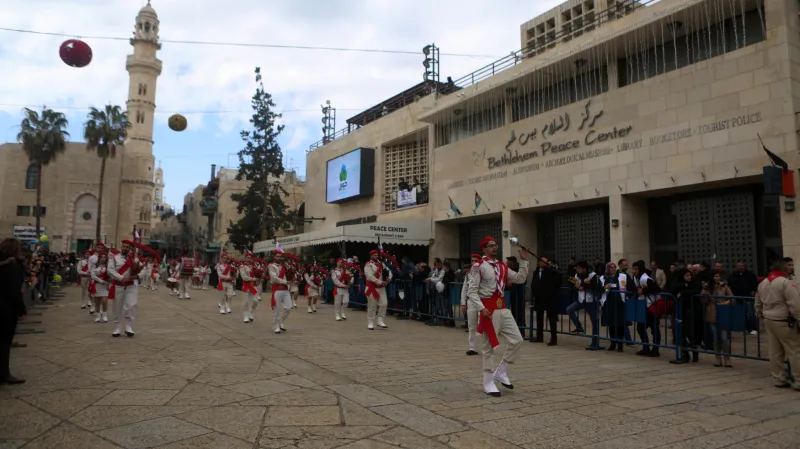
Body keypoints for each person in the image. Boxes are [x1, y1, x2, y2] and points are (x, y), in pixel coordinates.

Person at [467, 236, 529, 397]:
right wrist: (481, 308)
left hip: (502, 308)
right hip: (488, 309)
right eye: (491, 246)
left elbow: (520, 279)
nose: (495, 248)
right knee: (488, 348)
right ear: (484, 249)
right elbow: (471, 291)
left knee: (517, 339)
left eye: (496, 245)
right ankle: (488, 382)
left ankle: (501, 371)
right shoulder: (478, 266)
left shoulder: (502, 266)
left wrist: (523, 262)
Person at [756, 259, 800, 390]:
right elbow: (795, 304)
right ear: (783, 268)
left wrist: (760, 314)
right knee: (795, 350)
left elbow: (758, 302)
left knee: (775, 351)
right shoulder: (784, 282)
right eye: (789, 265)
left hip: (769, 319)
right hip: (784, 320)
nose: (791, 268)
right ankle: (798, 380)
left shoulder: (763, 282)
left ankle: (779, 378)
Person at [0, 238, 27, 384]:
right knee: (4, 342)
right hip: (6, 309)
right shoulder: (12, 267)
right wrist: (21, 310)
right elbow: (14, 291)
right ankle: (4, 374)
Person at [107, 240, 143, 338]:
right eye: (124, 246)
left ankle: (129, 327)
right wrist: (121, 278)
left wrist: (137, 276)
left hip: (131, 285)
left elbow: (144, 269)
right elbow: (110, 270)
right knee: (117, 307)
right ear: (121, 247)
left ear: (130, 248)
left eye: (127, 247)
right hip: (119, 285)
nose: (125, 248)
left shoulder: (135, 259)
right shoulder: (114, 258)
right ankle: (117, 327)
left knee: (131, 306)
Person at [632, 260, 662, 357]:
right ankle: (646, 347)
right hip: (644, 305)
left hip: (652, 305)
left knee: (654, 327)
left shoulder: (645, 278)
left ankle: (655, 349)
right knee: (640, 327)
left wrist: (644, 291)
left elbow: (657, 288)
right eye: (633, 269)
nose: (634, 271)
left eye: (636, 269)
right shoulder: (636, 278)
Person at [704, 272, 734, 367]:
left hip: (723, 313)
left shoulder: (725, 286)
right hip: (712, 313)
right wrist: (704, 294)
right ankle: (717, 358)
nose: (717, 278)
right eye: (715, 276)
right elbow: (703, 301)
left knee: (724, 337)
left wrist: (725, 303)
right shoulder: (708, 288)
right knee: (716, 338)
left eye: (719, 276)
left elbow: (732, 298)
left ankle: (727, 358)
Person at [531, 256, 562, 346]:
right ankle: (539, 337)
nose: (543, 263)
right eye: (541, 261)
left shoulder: (552, 272)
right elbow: (533, 284)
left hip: (549, 298)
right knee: (539, 318)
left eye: (545, 262)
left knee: (552, 319)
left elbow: (558, 282)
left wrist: (555, 270)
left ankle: (553, 339)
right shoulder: (536, 272)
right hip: (539, 298)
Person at [600, 261, 628, 352]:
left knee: (620, 323)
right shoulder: (603, 278)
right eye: (611, 267)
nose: (613, 269)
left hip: (619, 302)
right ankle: (613, 343)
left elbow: (628, 286)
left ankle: (620, 344)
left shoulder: (622, 276)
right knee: (611, 323)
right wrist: (605, 287)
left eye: (614, 267)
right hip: (608, 302)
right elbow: (599, 288)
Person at [364, 249, 392, 330]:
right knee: (372, 306)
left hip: (381, 288)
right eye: (375, 255)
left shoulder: (381, 264)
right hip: (372, 288)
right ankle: (370, 322)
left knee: (384, 304)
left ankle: (380, 321)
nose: (376, 257)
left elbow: (388, 271)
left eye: (377, 255)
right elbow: (369, 276)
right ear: (371, 256)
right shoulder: (368, 265)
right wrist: (380, 282)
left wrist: (389, 278)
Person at [461, 254, 482, 355]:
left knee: (482, 323)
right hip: (471, 301)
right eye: (472, 261)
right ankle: (472, 347)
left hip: (482, 300)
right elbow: (464, 289)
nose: (474, 263)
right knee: (471, 325)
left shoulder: (483, 272)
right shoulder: (468, 274)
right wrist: (463, 303)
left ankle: (485, 345)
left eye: (476, 260)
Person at [269, 247, 292, 334]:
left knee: (289, 307)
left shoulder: (285, 265)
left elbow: (289, 275)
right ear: (274, 257)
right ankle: (276, 325)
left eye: (280, 256)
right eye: (277, 256)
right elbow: (274, 278)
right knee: (277, 309)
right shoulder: (271, 266)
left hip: (286, 289)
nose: (279, 258)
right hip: (277, 289)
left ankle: (281, 321)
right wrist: (285, 282)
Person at [90, 251, 110, 323]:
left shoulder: (108, 266)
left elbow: (110, 275)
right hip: (96, 285)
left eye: (105, 257)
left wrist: (109, 280)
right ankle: (97, 316)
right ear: (99, 258)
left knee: (105, 301)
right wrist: (101, 281)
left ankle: (104, 316)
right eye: (102, 257)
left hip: (105, 286)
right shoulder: (95, 266)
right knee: (97, 302)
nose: (103, 259)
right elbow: (93, 275)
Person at [239, 252, 259, 323]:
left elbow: (260, 273)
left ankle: (251, 312)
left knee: (255, 301)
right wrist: (253, 279)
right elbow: (244, 277)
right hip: (246, 286)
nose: (249, 259)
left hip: (253, 286)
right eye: (248, 258)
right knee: (246, 302)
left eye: (250, 258)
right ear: (245, 258)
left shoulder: (254, 266)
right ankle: (246, 315)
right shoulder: (242, 266)